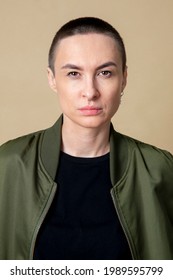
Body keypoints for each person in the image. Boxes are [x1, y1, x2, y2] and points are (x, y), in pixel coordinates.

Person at [0, 17, 173, 260]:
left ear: (123, 78)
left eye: (105, 72)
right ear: (52, 79)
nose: (90, 91)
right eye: (73, 73)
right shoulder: (8, 165)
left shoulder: (160, 169)